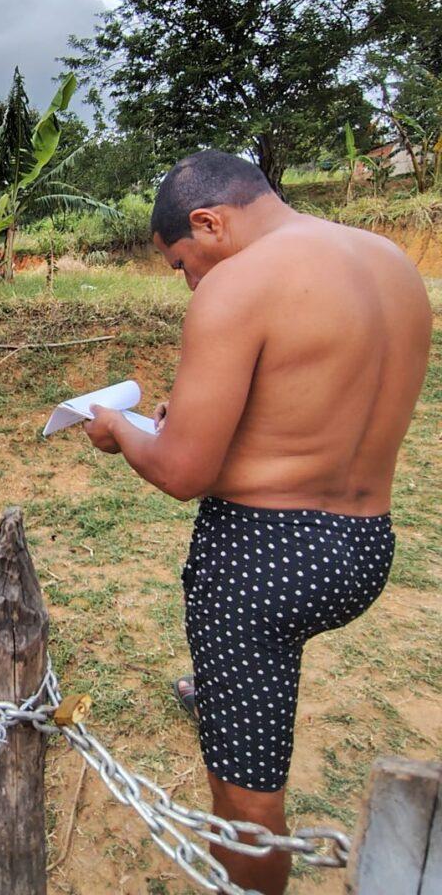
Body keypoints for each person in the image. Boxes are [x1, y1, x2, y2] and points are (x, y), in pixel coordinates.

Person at [83, 150, 431, 895]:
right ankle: (219, 693)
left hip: (263, 563)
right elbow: (310, 407)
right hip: (365, 544)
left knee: (247, 801)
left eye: (182, 263)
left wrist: (117, 428)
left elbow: (182, 473)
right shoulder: (391, 264)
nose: (189, 281)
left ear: (208, 222)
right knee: (255, 687)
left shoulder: (239, 284)